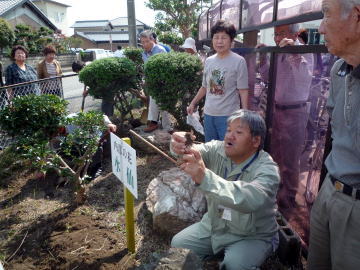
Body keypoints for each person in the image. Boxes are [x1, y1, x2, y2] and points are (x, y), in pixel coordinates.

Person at [170, 109, 280, 270]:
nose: (229, 135)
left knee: (234, 266)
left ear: (256, 141)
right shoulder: (217, 149)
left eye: (239, 132)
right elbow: (191, 152)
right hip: (215, 225)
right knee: (179, 244)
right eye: (228, 130)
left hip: (251, 235)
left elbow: (251, 198)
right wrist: (179, 146)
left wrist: (205, 177)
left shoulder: (268, 169)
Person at [307, 0, 360, 269]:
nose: (321, 28)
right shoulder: (338, 69)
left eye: (327, 15)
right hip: (329, 191)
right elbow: (336, 130)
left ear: (357, 17)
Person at [258, 24, 314, 211]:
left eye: (281, 33)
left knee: (290, 158)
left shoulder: (303, 51)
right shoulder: (279, 50)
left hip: (295, 111)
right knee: (274, 153)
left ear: (295, 33)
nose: (277, 37)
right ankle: (274, 191)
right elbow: (268, 78)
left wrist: (293, 54)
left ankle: (288, 200)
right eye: (275, 34)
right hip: (276, 110)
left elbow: (304, 79)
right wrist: (264, 59)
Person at [187, 20, 249, 142]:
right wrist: (193, 103)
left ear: (231, 40)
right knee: (211, 149)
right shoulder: (209, 61)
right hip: (209, 114)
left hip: (229, 116)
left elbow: (243, 90)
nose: (219, 41)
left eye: (224, 38)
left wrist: (245, 114)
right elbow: (205, 87)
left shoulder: (239, 61)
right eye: (216, 37)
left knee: (228, 150)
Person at [140, 30, 171, 133]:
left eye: (146, 41)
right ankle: (154, 122)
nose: (144, 44)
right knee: (154, 102)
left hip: (163, 81)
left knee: (163, 104)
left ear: (152, 40)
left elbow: (167, 67)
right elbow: (146, 68)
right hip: (152, 82)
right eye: (142, 42)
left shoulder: (160, 50)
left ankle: (166, 127)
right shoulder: (144, 53)